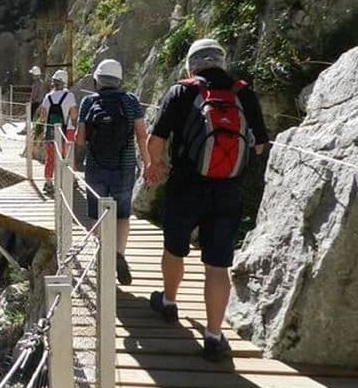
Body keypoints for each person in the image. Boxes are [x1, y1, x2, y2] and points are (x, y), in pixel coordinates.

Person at [144, 38, 268, 362]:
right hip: (228, 189)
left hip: (186, 185)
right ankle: (213, 337)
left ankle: (169, 303)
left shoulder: (182, 91)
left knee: (174, 248)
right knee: (217, 264)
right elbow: (258, 146)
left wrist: (156, 166)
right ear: (221, 62)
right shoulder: (244, 92)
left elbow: (156, 142)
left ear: (192, 64)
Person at [75, 59, 149, 286]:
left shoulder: (88, 102)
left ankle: (103, 253)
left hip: (96, 167)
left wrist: (78, 162)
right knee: (122, 214)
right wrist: (148, 163)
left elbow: (80, 138)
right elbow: (141, 134)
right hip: (124, 167)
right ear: (119, 80)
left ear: (97, 80)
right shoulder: (130, 101)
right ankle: (119, 253)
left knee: (97, 214)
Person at [40, 69, 77, 195]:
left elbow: (43, 117)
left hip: (50, 131)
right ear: (64, 82)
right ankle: (70, 180)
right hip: (68, 131)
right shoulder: (70, 96)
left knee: (50, 158)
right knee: (68, 157)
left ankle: (49, 183)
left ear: (54, 83)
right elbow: (73, 115)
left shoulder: (48, 97)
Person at [19, 66, 47, 135]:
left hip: (35, 102)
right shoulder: (41, 82)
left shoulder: (36, 84)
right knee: (36, 117)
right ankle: (36, 131)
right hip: (40, 102)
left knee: (29, 116)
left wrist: (30, 101)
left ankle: (26, 130)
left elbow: (34, 94)